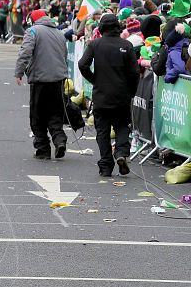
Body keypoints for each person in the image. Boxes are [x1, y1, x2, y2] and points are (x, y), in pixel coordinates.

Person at [78, 14, 140, 176]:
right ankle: (121, 153)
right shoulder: (127, 45)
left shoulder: (95, 44)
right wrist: (131, 91)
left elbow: (82, 64)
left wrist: (94, 80)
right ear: (118, 27)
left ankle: (106, 165)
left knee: (103, 131)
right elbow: (134, 73)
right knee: (122, 126)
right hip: (121, 95)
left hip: (101, 95)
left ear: (101, 28)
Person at [14, 9, 70, 160]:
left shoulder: (32, 31)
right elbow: (64, 55)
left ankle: (43, 148)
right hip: (58, 79)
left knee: (37, 116)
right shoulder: (59, 33)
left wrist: (19, 72)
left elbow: (25, 52)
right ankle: (59, 140)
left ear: (33, 20)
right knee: (55, 113)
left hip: (40, 79)